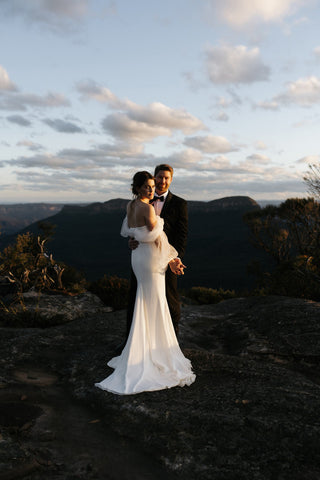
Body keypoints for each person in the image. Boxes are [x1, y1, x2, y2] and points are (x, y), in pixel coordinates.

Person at [95, 171, 195, 395]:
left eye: (153, 186)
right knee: (154, 301)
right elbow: (154, 234)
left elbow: (130, 231)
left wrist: (135, 238)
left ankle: (145, 348)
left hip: (139, 257)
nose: (151, 190)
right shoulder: (148, 208)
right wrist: (171, 256)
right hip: (151, 258)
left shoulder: (131, 206)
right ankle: (154, 352)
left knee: (146, 299)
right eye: (147, 186)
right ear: (138, 187)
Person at [126, 164, 188, 338]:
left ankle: (171, 340)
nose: (162, 181)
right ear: (154, 177)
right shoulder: (143, 203)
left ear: (171, 180)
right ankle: (131, 342)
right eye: (159, 177)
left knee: (170, 299)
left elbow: (181, 236)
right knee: (137, 299)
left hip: (165, 259)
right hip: (145, 256)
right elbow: (132, 228)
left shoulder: (179, 204)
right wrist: (132, 240)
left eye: (166, 178)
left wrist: (175, 259)